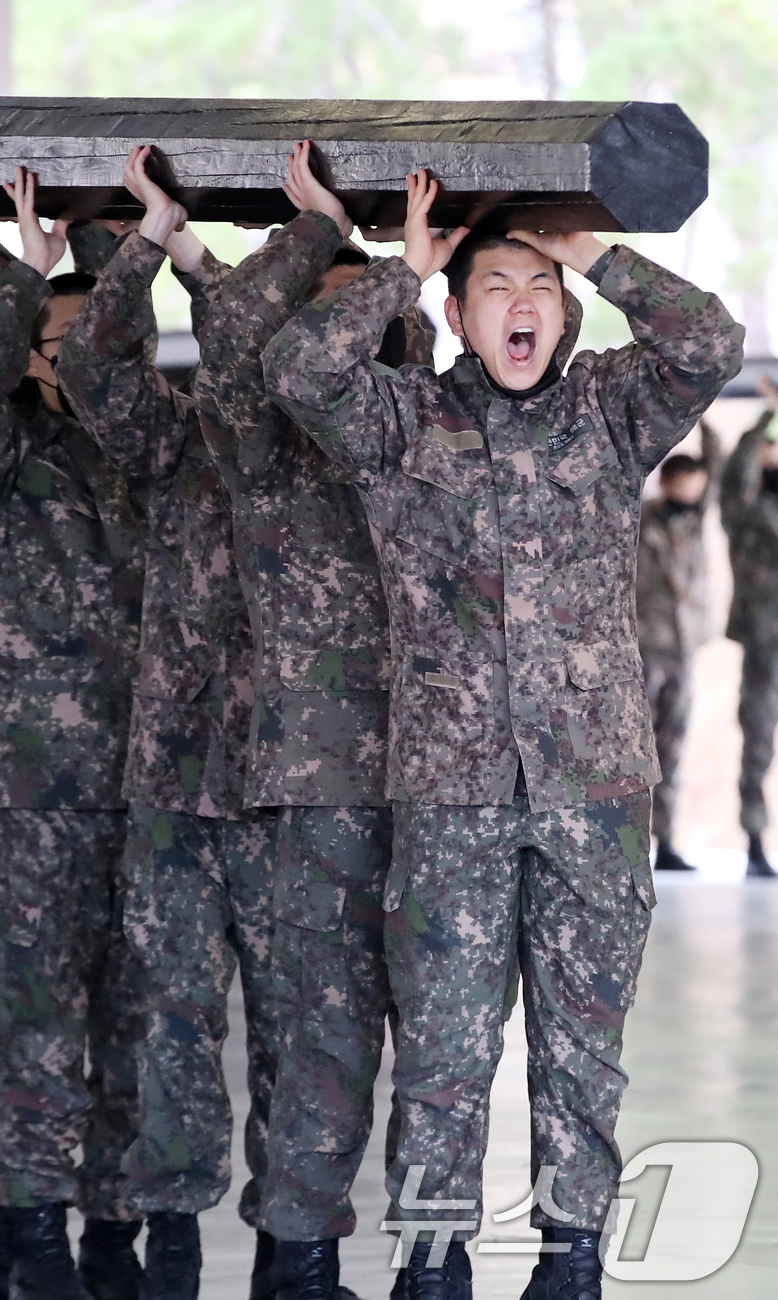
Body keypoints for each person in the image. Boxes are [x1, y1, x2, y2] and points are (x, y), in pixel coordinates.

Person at [262, 166, 743, 1300]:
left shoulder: (606, 411)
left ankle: (568, 1263)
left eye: (537, 286)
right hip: (450, 797)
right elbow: (296, 368)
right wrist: (400, 273)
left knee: (580, 1053)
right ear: (460, 314)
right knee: (441, 1057)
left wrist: (591, 253)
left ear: (563, 314)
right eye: (492, 286)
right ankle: (434, 1268)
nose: (518, 303)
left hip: (590, 790)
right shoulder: (399, 423)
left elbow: (707, 339)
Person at [194, 142, 433, 1300]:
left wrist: (405, 283)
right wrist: (335, 247)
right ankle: (297, 1271)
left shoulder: (424, 428)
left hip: (450, 776)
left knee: (442, 1050)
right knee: (321, 1040)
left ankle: (429, 1267)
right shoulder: (259, 443)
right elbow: (257, 339)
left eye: (373, 311)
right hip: (325, 776)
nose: (356, 327)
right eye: (332, 314)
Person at [0, 167, 147, 1300]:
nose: (68, 360)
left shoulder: (156, 452)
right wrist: (21, 273)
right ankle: (28, 1241)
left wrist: (117, 245)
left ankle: (120, 1243)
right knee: (41, 1034)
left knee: (144, 1036)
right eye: (49, 345)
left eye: (85, 342)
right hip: (40, 793)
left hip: (154, 792)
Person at [58, 146, 282, 1300]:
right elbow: (91, 365)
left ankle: (299, 1258)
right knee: (170, 1025)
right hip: (177, 785)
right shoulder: (172, 440)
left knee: (309, 1043)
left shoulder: (356, 436)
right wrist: (155, 240)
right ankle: (169, 1244)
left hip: (302, 791)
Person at [637, 421, 721, 873]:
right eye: (684, 484)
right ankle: (630, 844)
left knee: (673, 747)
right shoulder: (641, 516)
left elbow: (718, 464)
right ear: (667, 482)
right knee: (636, 750)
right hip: (644, 648)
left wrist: (703, 412)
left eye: (697, 485)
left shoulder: (695, 518)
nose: (691, 491)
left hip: (683, 650)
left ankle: (665, 841)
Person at [720, 376, 778, 877]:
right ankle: (755, 839)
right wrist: (765, 418)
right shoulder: (746, 514)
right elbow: (736, 469)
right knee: (758, 742)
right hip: (765, 648)